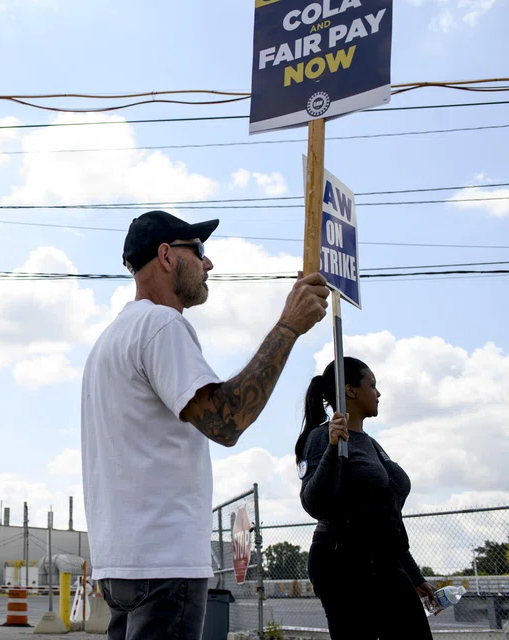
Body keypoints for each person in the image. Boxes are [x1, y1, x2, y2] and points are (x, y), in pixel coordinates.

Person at [81, 210, 330, 640]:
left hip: (120, 567)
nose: (208, 263)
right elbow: (225, 420)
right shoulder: (161, 325)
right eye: (198, 251)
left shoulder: (109, 341)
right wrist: (289, 326)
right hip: (165, 568)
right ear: (166, 256)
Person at [296, 357, 436, 639]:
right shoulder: (322, 437)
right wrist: (333, 449)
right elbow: (313, 503)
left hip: (384, 560)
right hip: (341, 561)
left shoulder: (370, 443)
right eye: (372, 385)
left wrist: (414, 576)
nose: (378, 393)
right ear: (350, 390)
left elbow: (386, 516)